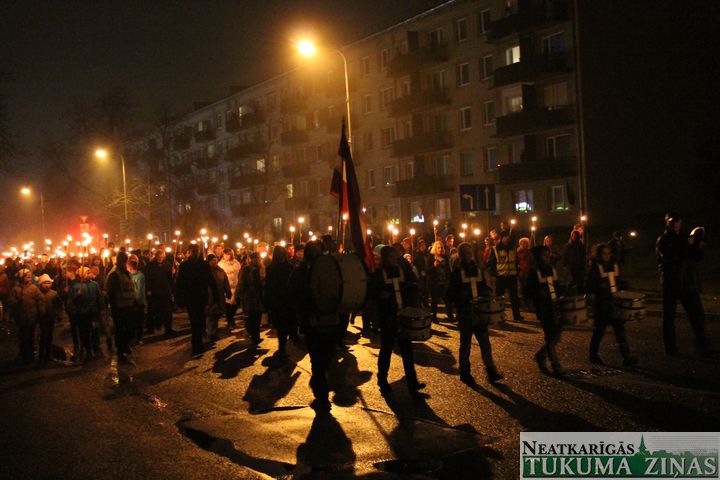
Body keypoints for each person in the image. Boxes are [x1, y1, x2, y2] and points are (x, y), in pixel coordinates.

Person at [288, 240, 342, 412]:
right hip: (315, 321)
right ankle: (322, 395)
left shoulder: (325, 269)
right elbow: (294, 293)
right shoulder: (303, 271)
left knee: (321, 359)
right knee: (320, 360)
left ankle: (321, 391)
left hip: (324, 319)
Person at [370, 245, 425, 397]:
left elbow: (409, 285)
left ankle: (412, 383)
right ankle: (382, 380)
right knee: (386, 348)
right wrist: (381, 295)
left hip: (402, 315)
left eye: (395, 255)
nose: (394, 258)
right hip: (387, 315)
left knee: (407, 350)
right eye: (391, 256)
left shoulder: (401, 270)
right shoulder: (379, 273)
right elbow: (372, 292)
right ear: (385, 258)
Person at [656, 212, 714, 355]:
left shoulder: (685, 237)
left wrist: (698, 246)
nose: (674, 223)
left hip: (688, 282)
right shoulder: (663, 240)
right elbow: (671, 257)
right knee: (669, 317)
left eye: (677, 220)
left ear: (680, 222)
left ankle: (703, 346)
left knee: (698, 316)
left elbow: (696, 258)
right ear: (666, 222)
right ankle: (671, 348)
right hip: (671, 283)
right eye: (671, 221)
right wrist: (688, 246)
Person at [448, 243, 503, 385]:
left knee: (485, 343)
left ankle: (491, 371)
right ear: (460, 255)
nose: (467, 255)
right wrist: (461, 296)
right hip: (465, 313)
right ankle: (465, 372)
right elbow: (449, 293)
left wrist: (487, 292)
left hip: (479, 313)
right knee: (466, 344)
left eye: (469, 253)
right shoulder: (456, 273)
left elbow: (484, 287)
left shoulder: (478, 270)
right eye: (464, 253)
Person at [586, 243, 638, 366]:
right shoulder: (595, 268)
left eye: (608, 253)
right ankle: (593, 354)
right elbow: (590, 286)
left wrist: (626, 287)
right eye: (604, 254)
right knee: (599, 331)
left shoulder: (614, 265)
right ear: (599, 255)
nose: (607, 256)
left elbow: (618, 281)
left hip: (615, 304)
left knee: (620, 331)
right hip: (602, 305)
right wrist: (595, 299)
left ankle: (626, 356)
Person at [525, 246, 565, 376]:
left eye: (548, 255)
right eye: (544, 255)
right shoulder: (534, 272)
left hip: (555, 306)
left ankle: (541, 355)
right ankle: (555, 365)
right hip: (543, 307)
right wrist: (538, 295)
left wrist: (563, 293)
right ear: (538, 257)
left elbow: (556, 286)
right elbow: (528, 291)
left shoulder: (551, 269)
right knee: (550, 335)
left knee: (556, 336)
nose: (547, 258)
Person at [176, 244, 220, 356]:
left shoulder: (203, 264)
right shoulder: (185, 265)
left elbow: (211, 280)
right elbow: (180, 283)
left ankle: (197, 342)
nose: (195, 252)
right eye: (194, 251)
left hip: (201, 297)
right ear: (190, 252)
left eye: (197, 250)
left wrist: (215, 295)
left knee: (200, 321)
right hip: (191, 297)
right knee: (194, 321)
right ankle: (196, 343)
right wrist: (179, 298)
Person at [106, 252, 138, 363]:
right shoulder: (114, 274)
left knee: (129, 328)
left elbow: (130, 288)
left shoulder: (125, 273)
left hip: (128, 305)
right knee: (120, 330)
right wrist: (114, 307)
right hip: (119, 307)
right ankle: (121, 351)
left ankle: (125, 345)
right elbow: (111, 292)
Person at [265, 245, 296, 356]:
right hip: (281, 301)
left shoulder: (276, 268)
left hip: (282, 301)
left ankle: (282, 346)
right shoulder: (284, 268)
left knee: (282, 326)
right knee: (282, 325)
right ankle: (282, 346)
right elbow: (269, 286)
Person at [8, 269, 44, 364]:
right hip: (21, 318)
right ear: (21, 277)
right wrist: (18, 301)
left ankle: (30, 356)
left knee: (31, 337)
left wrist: (41, 311)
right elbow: (11, 302)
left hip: (32, 317)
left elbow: (40, 299)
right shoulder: (16, 289)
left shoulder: (34, 288)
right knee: (23, 337)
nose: (29, 277)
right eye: (26, 276)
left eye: (30, 276)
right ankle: (24, 355)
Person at [68, 266, 104, 363]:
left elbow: (99, 297)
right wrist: (77, 295)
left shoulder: (95, 284)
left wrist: (101, 308)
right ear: (81, 274)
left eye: (90, 272)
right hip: (83, 313)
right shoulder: (76, 286)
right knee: (85, 332)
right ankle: (87, 349)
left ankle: (96, 347)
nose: (90, 274)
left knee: (95, 330)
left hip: (94, 312)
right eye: (87, 272)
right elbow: (72, 301)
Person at [487, 231, 523, 321]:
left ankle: (517, 316)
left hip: (512, 276)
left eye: (508, 236)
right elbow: (492, 263)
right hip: (501, 277)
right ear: (502, 238)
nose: (507, 238)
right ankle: (500, 315)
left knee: (514, 297)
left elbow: (516, 261)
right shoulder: (495, 249)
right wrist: (493, 275)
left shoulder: (513, 248)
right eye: (506, 237)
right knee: (499, 297)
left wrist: (518, 271)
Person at [237, 252, 264, 345]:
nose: (257, 260)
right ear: (251, 259)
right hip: (250, 296)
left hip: (260, 296)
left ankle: (256, 336)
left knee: (258, 317)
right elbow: (241, 282)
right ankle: (253, 335)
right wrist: (239, 295)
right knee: (252, 316)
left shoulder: (262, 269)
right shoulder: (246, 269)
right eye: (255, 258)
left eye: (258, 258)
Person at [146, 249, 174, 334]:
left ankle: (168, 328)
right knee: (153, 310)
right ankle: (152, 327)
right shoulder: (150, 265)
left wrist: (173, 273)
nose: (160, 258)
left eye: (162, 257)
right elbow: (147, 278)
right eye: (159, 257)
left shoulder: (167, 265)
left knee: (167, 310)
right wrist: (148, 289)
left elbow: (170, 279)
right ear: (156, 256)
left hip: (165, 291)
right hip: (154, 291)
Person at [37, 274, 61, 367]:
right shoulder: (37, 293)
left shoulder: (54, 294)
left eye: (48, 283)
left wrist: (59, 315)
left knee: (49, 336)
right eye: (45, 283)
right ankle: (41, 354)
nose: (47, 285)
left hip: (50, 317)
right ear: (40, 284)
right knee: (42, 336)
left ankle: (48, 353)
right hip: (41, 318)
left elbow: (58, 305)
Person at [206, 254, 231, 342]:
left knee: (216, 314)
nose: (215, 262)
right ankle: (211, 332)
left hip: (219, 295)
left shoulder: (220, 271)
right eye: (213, 260)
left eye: (215, 260)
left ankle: (214, 331)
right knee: (210, 314)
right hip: (209, 296)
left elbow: (226, 282)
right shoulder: (205, 271)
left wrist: (228, 292)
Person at [426, 240, 452, 322]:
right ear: (435, 248)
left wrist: (448, 278)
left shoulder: (445, 258)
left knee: (447, 300)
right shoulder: (431, 258)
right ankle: (433, 317)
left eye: (441, 247)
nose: (440, 249)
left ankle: (450, 316)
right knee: (435, 301)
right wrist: (433, 266)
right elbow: (427, 270)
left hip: (444, 283)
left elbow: (448, 270)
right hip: (435, 284)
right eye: (438, 248)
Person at [218, 248, 242, 328]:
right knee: (228, 305)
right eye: (225, 254)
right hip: (227, 287)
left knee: (236, 304)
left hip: (236, 286)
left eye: (228, 254)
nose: (226, 256)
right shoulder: (221, 264)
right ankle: (230, 321)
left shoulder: (236, 263)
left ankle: (231, 317)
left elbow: (239, 274)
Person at [127, 256, 146, 345]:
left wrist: (138, 301)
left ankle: (139, 337)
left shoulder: (140, 276)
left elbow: (140, 290)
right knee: (132, 321)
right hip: (131, 301)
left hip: (138, 302)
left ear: (130, 267)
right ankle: (132, 337)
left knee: (139, 321)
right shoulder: (128, 276)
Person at [564, 229, 586, 295]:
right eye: (573, 236)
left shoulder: (581, 245)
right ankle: (567, 289)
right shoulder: (569, 245)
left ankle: (580, 294)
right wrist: (565, 264)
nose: (575, 237)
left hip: (580, 265)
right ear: (571, 236)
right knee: (575, 279)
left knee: (580, 280)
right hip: (573, 265)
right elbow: (566, 255)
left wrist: (584, 263)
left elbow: (583, 255)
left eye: (576, 236)